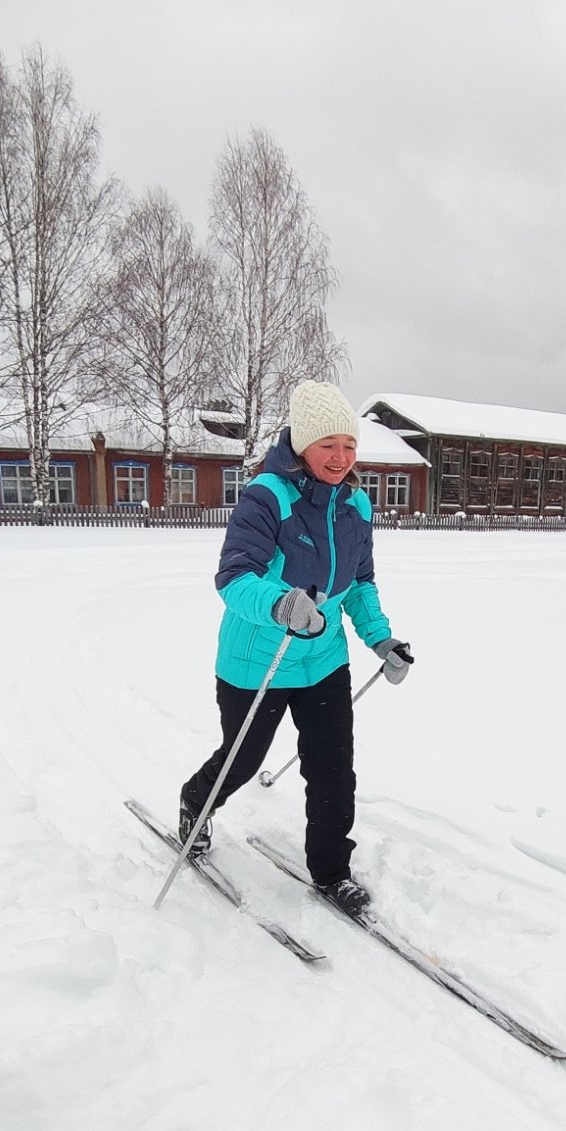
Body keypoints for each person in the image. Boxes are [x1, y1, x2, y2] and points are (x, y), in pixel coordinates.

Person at [179, 380, 413, 918]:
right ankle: (196, 802)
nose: (340, 457)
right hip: (258, 659)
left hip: (323, 659)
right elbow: (234, 577)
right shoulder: (267, 496)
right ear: (302, 444)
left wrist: (380, 638)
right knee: (241, 760)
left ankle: (331, 871)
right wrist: (282, 604)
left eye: (348, 445)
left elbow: (360, 582)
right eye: (327, 444)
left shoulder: (356, 503)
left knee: (333, 768)